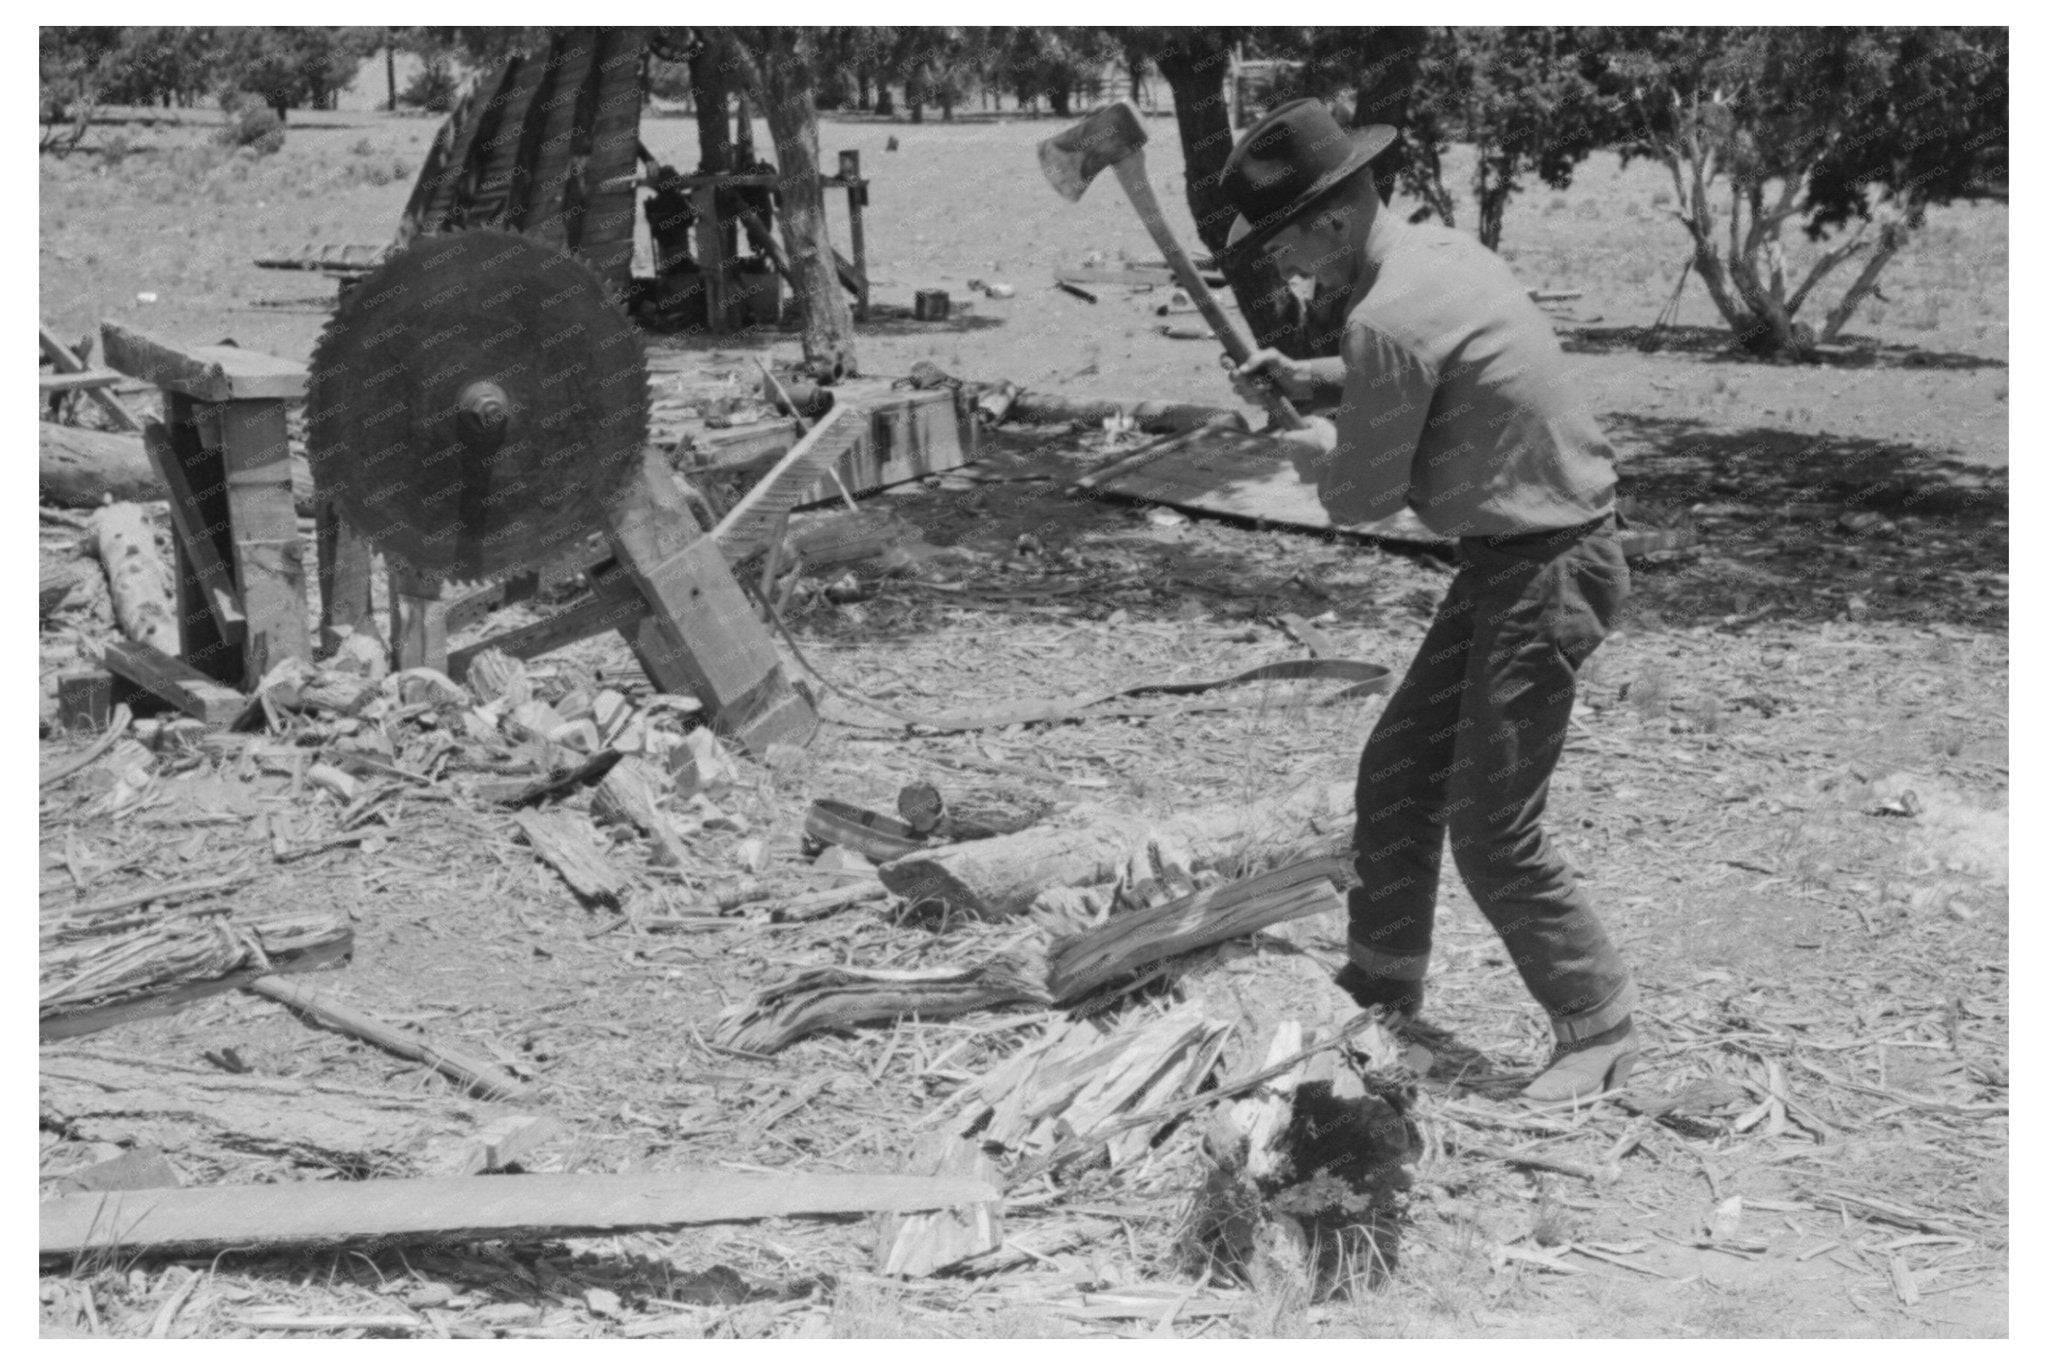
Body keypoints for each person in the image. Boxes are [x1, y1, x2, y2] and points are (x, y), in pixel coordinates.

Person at [1218, 99, 1640, 1101]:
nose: (1289, 269)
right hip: (1519, 556)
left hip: (1544, 569)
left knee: (1492, 827)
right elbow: (1416, 367)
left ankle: (1598, 1028)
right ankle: (1381, 985)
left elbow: (1361, 494)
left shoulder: (1385, 317)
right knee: (1397, 771)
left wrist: (1309, 451)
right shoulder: (1438, 258)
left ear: (1327, 222)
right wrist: (1317, 379)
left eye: (1285, 247)